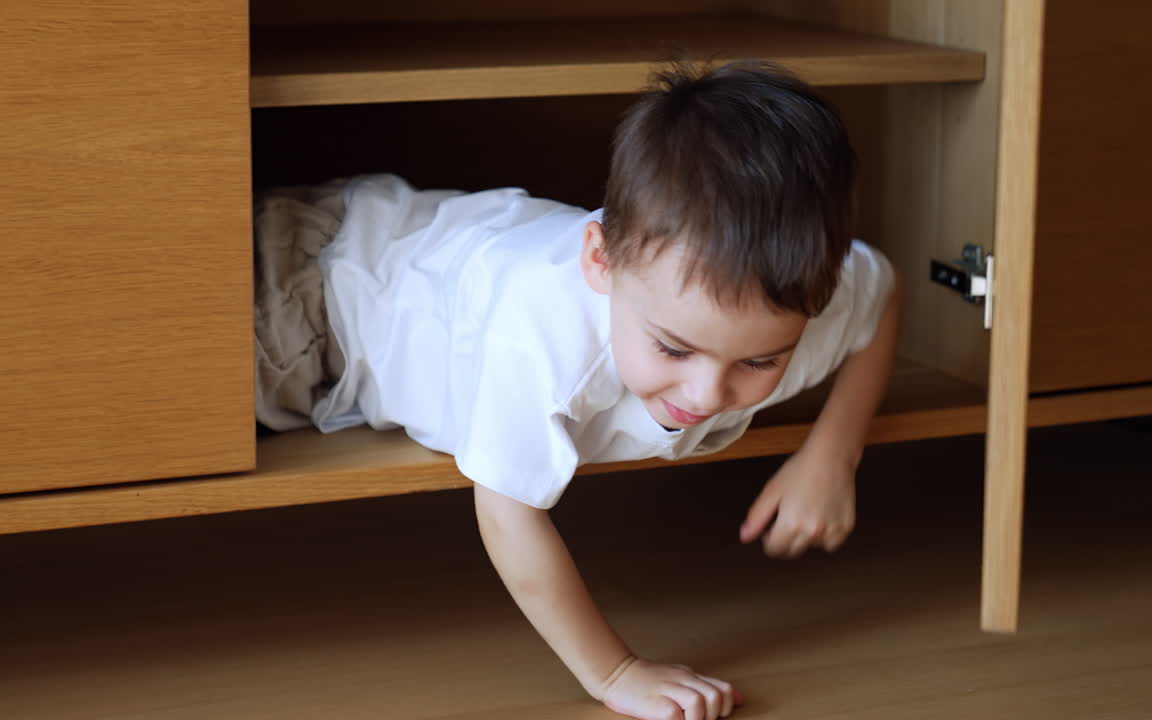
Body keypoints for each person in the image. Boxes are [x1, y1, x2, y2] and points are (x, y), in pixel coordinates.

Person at [253, 60, 900, 720]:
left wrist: (833, 454)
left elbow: (883, 293)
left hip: (403, 247)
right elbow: (507, 514)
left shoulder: (801, 293)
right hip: (315, 291)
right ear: (600, 261)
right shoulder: (539, 336)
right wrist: (615, 672)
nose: (708, 394)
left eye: (760, 361)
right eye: (673, 348)